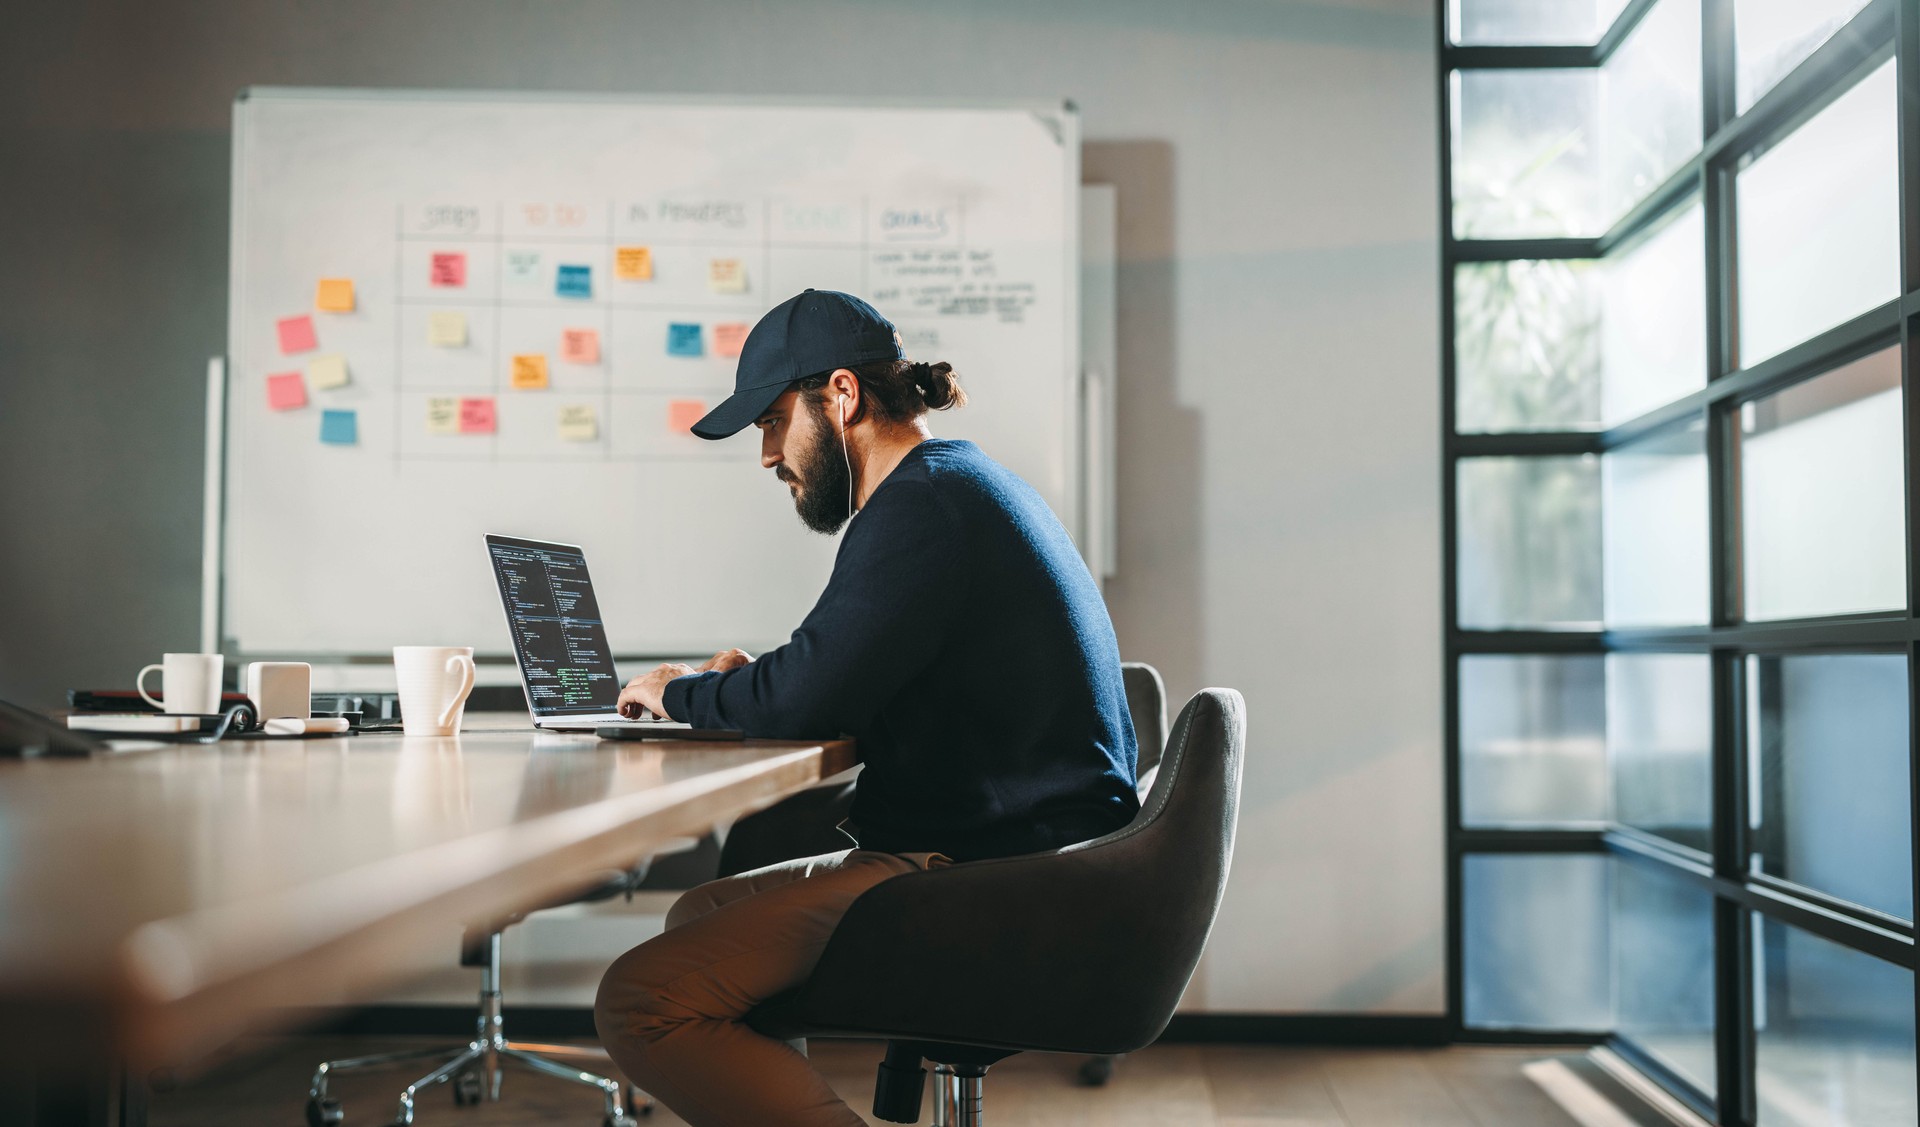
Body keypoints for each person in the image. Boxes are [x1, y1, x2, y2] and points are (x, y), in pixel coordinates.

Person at [593, 289, 1138, 1126]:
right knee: (700, 910)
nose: (768, 455)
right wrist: (754, 681)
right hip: (1033, 858)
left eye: (773, 421)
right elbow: (835, 672)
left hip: (989, 880)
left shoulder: (922, 506)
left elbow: (806, 694)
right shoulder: (957, 484)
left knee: (640, 997)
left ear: (841, 396)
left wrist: (673, 693)